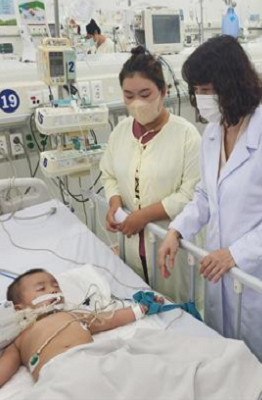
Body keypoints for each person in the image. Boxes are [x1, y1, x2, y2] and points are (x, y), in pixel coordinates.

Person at [157, 35, 262, 374]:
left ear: (232, 84)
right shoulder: (212, 133)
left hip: (257, 277)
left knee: (261, 373)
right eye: (197, 90)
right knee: (225, 365)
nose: (201, 98)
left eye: (208, 89)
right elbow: (205, 197)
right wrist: (176, 231)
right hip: (220, 274)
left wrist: (235, 254)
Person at [0, 269, 156, 400]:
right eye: (41, 288)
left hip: (94, 361)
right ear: (19, 308)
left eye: (55, 286)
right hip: (60, 377)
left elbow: (110, 319)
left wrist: (140, 309)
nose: (53, 290)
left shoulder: (73, 315)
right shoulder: (19, 339)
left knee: (142, 371)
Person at [100, 46, 202, 304]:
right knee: (138, 305)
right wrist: (114, 203)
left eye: (145, 94)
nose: (137, 103)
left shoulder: (186, 136)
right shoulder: (120, 133)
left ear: (163, 92)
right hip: (131, 244)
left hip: (171, 242)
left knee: (176, 310)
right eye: (129, 96)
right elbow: (109, 174)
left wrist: (143, 216)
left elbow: (191, 194)